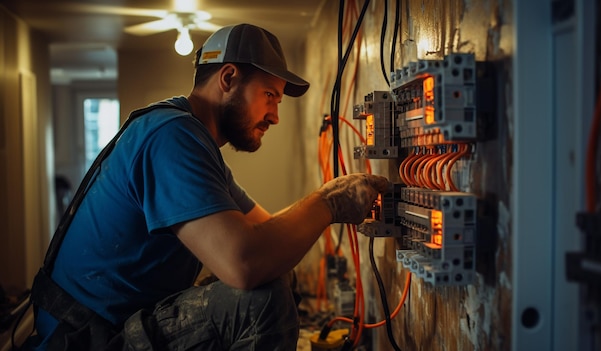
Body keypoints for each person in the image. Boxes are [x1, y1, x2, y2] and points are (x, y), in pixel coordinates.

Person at [27, 23, 389, 350]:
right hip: (87, 340)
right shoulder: (172, 136)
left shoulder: (191, 141)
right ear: (228, 78)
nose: (275, 116)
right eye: (270, 96)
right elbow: (245, 263)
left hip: (109, 327)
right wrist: (328, 203)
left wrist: (326, 199)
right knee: (261, 304)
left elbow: (263, 231)